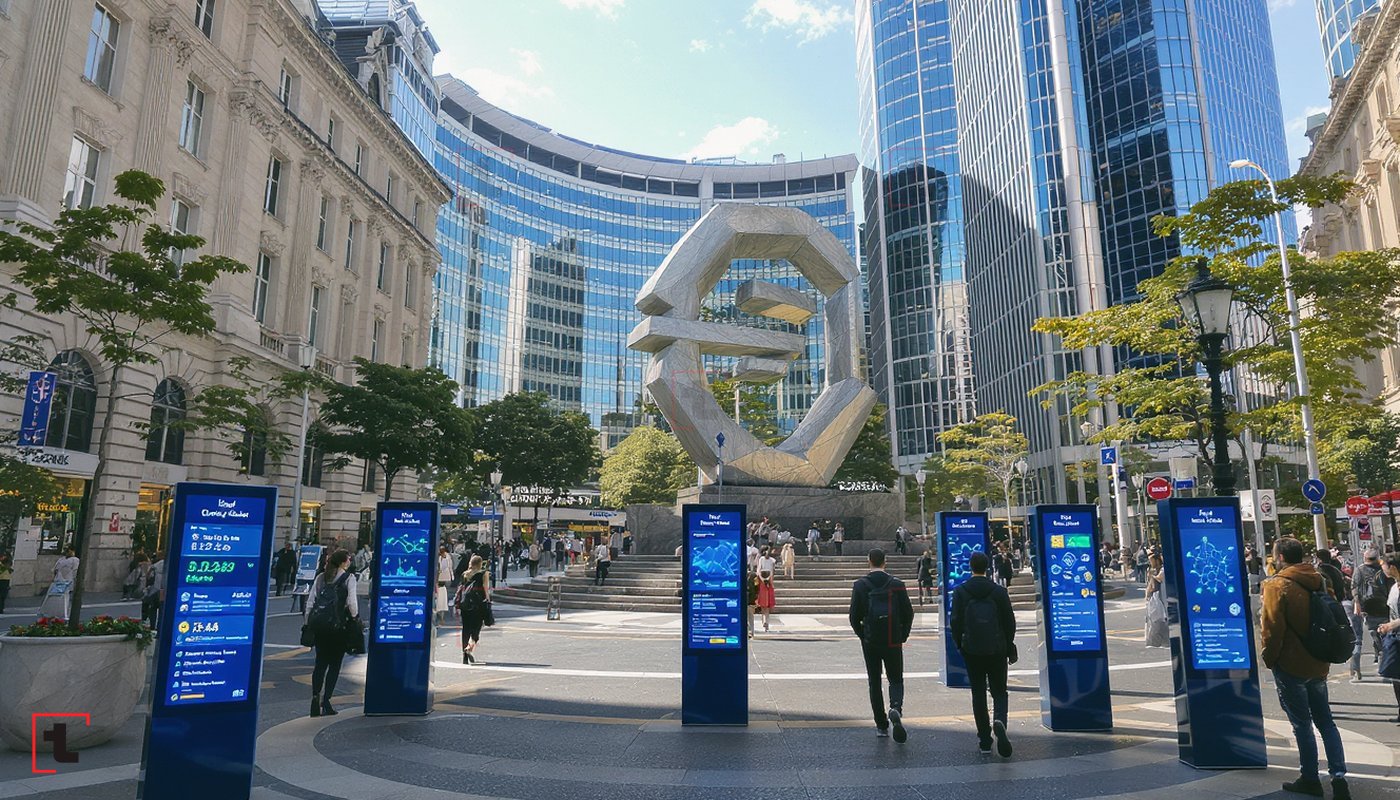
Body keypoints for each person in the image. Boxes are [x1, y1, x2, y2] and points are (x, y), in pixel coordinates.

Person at [1262, 537, 1351, 798]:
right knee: (1326, 721)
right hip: (1319, 661)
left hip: (1291, 663)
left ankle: (1310, 778)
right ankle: (1339, 778)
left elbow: (1272, 628)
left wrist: (1270, 658)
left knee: (1302, 724)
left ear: (1280, 557)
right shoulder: (1319, 578)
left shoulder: (1277, 585)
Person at [950, 551, 1016, 758]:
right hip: (997, 648)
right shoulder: (999, 591)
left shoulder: (961, 591)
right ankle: (1000, 720)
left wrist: (960, 644)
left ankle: (985, 740)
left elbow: (955, 622)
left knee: (978, 692)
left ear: (970, 566)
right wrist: (1008, 644)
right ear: (987, 567)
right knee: (999, 690)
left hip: (972, 649)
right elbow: (1009, 621)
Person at [848, 548, 914, 742]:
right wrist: (902, 635)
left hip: (871, 640)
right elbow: (908, 613)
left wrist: (863, 635)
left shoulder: (860, 585)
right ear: (885, 561)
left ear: (868, 561)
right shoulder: (897, 584)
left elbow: (853, 617)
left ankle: (881, 725)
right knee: (896, 678)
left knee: (874, 681)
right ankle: (896, 707)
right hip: (893, 638)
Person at [305, 549, 358, 717]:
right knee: (334, 665)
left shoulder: (321, 577)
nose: (349, 562)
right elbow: (352, 603)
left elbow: (310, 602)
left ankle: (315, 697)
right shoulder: (349, 578)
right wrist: (355, 618)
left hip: (320, 627)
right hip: (338, 627)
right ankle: (326, 701)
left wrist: (308, 623)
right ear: (343, 562)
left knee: (320, 663)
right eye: (348, 559)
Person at [1353, 549, 1394, 680]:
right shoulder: (1383, 570)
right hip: (1384, 607)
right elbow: (1391, 585)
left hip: (1368, 609)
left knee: (1374, 635)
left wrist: (1357, 604)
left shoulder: (1359, 570)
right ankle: (1382, 662)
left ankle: (1379, 659)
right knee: (1384, 637)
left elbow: (1355, 587)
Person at [1373, 554, 1400, 723]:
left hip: (1395, 633)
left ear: (1393, 567)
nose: (1381, 568)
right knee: (1395, 676)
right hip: (1395, 637)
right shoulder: (1394, 586)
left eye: (1383, 565)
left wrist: (1391, 625)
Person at [455, 554, 492, 664]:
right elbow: (486, 588)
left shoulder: (465, 574)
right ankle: (469, 647)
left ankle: (464, 657)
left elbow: (460, 589)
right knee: (476, 628)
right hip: (478, 603)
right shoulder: (484, 573)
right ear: (480, 564)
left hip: (465, 604)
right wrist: (488, 600)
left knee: (466, 629)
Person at [1144, 553, 1168, 648]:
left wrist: (1152, 576)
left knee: (1157, 618)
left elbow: (1155, 584)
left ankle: (1159, 640)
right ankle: (1155, 640)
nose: (1151, 563)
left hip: (1157, 596)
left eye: (1152, 561)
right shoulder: (1153, 570)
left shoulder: (1161, 570)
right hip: (1154, 596)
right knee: (1155, 618)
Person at [755, 546, 777, 632]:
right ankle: (765, 621)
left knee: (767, 606)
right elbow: (758, 571)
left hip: (768, 582)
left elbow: (772, 571)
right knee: (763, 605)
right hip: (763, 582)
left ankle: (766, 622)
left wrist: (768, 580)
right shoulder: (761, 559)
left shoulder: (772, 560)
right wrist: (764, 579)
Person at [142, 551, 166, 629]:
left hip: (156, 589)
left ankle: (152, 624)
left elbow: (148, 575)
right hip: (164, 589)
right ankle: (160, 625)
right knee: (161, 608)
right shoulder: (167, 564)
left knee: (153, 607)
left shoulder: (156, 564)